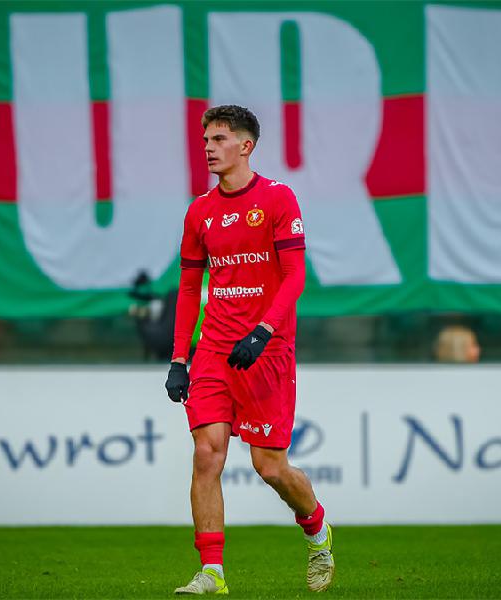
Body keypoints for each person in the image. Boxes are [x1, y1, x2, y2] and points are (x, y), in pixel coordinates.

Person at [165, 105, 333, 595]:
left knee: (270, 467)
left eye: (219, 139)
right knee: (206, 454)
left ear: (246, 145)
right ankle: (212, 572)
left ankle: (317, 530)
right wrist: (180, 358)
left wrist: (262, 331)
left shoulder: (278, 198)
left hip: (267, 349)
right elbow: (188, 289)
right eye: (205, 140)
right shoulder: (199, 211)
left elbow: (295, 276)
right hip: (215, 348)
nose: (209, 148)